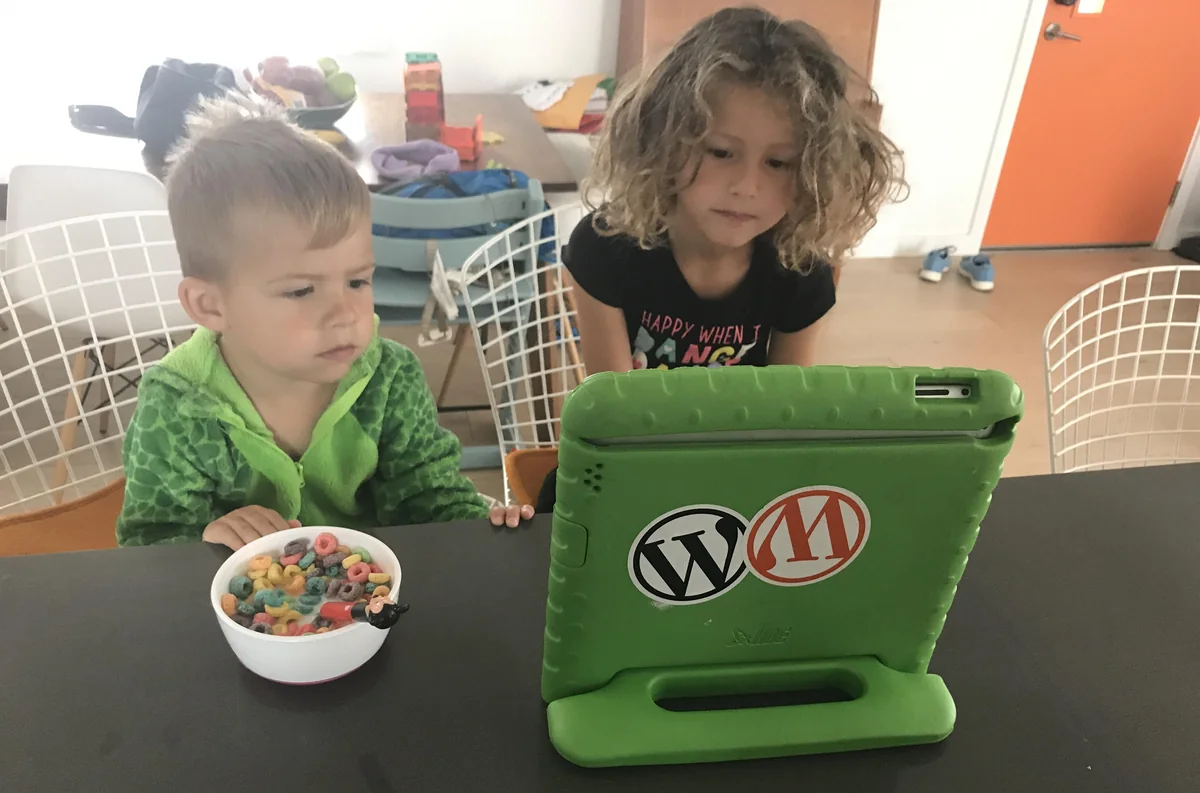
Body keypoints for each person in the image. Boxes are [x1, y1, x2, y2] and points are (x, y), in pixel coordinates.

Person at [116, 95, 533, 549]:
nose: (346, 314)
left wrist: (481, 529)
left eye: (357, 281)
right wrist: (202, 542)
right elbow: (149, 543)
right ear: (210, 306)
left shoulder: (389, 378)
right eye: (301, 290)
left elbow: (428, 498)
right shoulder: (175, 407)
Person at [536, 7, 906, 511]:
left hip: (732, 491)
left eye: (779, 162)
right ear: (663, 139)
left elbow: (782, 421)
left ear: (813, 170)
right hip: (619, 483)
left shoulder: (802, 274)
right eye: (720, 151)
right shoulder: (604, 249)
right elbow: (616, 423)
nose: (747, 187)